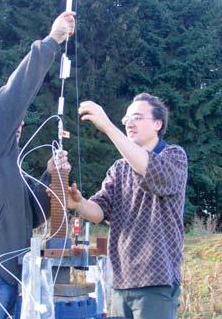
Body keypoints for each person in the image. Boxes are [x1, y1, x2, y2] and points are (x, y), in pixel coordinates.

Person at [0, 11, 75, 319]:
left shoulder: (7, 163)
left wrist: (52, 174)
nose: (16, 121)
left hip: (4, 278)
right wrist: (52, 41)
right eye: (7, 116)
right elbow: (14, 96)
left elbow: (32, 214)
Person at [69, 93, 188, 319]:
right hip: (121, 282)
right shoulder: (119, 168)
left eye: (136, 117)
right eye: (125, 119)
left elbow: (149, 168)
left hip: (157, 281)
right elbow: (99, 211)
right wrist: (79, 203)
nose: (128, 123)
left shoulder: (174, 156)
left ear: (157, 124)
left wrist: (108, 127)